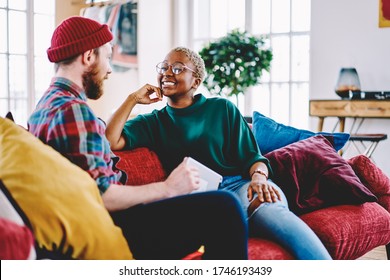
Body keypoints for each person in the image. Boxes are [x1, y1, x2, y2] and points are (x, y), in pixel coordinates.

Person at [27, 16, 248, 260]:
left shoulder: (45, 105)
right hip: (115, 225)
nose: (109, 69)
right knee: (224, 208)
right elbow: (102, 195)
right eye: (108, 57)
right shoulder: (74, 110)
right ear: (89, 56)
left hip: (101, 218)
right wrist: (168, 188)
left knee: (221, 205)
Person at [106, 46, 333, 260]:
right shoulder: (154, 121)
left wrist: (259, 179)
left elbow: (254, 158)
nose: (167, 73)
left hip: (243, 187)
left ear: (196, 80)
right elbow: (110, 139)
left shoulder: (222, 108)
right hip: (204, 200)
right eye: (164, 67)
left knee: (271, 212)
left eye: (177, 68)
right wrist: (133, 99)